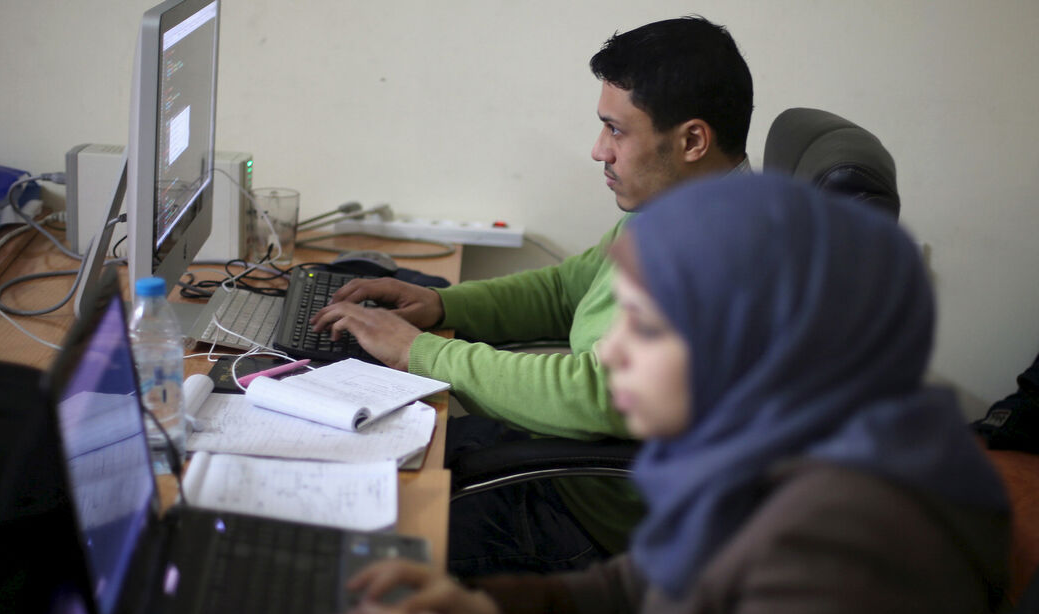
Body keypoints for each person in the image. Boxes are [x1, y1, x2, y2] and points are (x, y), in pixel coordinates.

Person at [322, 172, 1012, 614]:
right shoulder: (771, 453)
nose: (611, 350)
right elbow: (644, 590)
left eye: (644, 328)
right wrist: (488, 611)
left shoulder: (850, 569)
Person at [311, 16, 754, 575]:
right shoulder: (678, 210)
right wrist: (446, 307)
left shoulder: (721, 253)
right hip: (562, 468)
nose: (599, 151)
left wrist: (418, 352)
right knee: (348, 457)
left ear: (692, 140)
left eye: (617, 131)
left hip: (590, 525)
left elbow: (603, 394)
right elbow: (567, 288)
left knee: (341, 553)